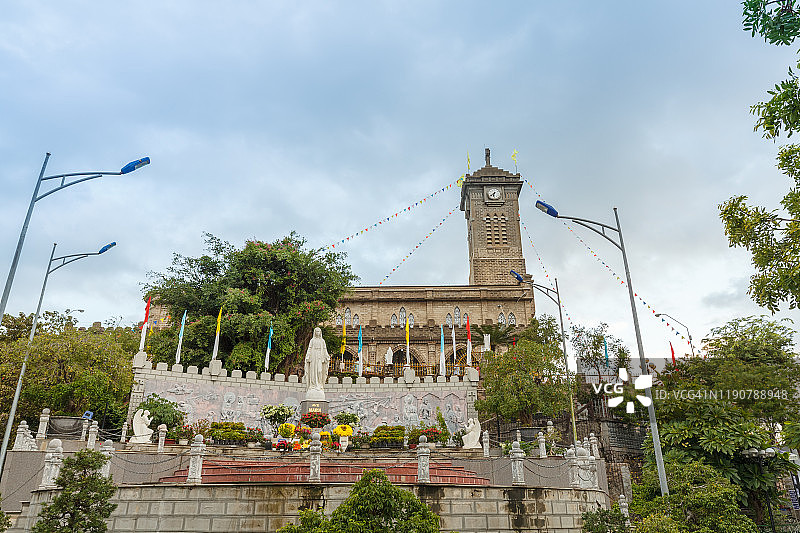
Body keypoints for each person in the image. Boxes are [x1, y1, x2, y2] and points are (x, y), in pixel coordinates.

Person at [305, 327, 330, 399]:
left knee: (319, 371)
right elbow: (309, 348)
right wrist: (308, 356)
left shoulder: (322, 341)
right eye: (316, 331)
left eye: (319, 331)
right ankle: (312, 385)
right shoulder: (312, 340)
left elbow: (325, 349)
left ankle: (319, 384)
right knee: (313, 371)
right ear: (314, 332)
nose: (318, 333)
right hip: (313, 356)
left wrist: (326, 356)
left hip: (320, 356)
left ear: (320, 332)